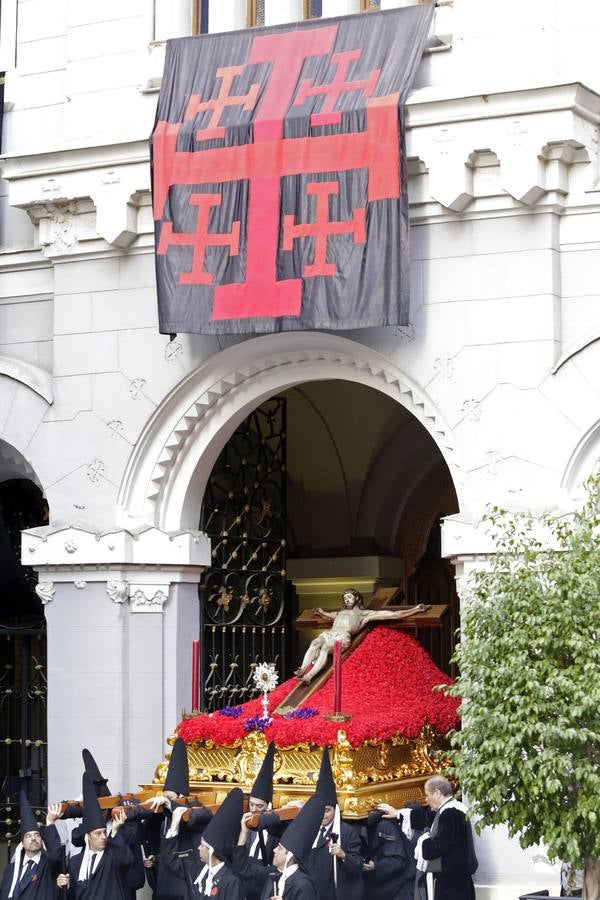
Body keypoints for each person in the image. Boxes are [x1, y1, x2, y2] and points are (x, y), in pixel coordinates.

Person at [294, 589, 427, 683]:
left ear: (357, 598)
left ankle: (309, 676)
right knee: (315, 643)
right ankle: (303, 669)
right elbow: (326, 615)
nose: (347, 600)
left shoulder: (365, 614)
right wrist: (320, 611)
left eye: (350, 597)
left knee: (325, 649)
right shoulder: (340, 612)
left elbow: (393, 615)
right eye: (345, 598)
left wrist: (414, 610)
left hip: (342, 637)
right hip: (329, 633)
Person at [379, 775, 478, 900]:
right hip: (458, 880)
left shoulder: (450, 813)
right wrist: (397, 813)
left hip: (452, 882)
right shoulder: (453, 809)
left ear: (437, 793)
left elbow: (439, 846)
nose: (426, 799)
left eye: (427, 795)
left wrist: (423, 841)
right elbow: (426, 818)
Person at [234, 794, 323, 900]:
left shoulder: (303, 885)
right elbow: (242, 869)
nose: (274, 850)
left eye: (280, 848)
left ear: (290, 856)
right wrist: (244, 832)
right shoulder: (273, 874)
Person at [163, 788, 244, 899]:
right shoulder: (197, 870)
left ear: (211, 850)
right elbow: (170, 859)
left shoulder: (231, 881)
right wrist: (173, 826)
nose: (199, 847)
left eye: (202, 845)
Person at [305, 748, 364, 900]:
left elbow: (358, 865)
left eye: (327, 811)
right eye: (320, 810)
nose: (323, 815)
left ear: (335, 810)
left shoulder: (348, 832)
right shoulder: (309, 830)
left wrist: (343, 855)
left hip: (337, 892)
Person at [232, 742, 279, 900]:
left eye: (259, 806)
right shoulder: (243, 822)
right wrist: (243, 833)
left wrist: (251, 869)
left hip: (265, 887)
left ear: (268, 806)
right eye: (251, 804)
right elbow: (237, 860)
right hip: (243, 886)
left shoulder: (275, 830)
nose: (253, 809)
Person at [0, 792, 62, 900]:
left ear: (42, 840)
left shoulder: (48, 865)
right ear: (22, 844)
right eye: (28, 836)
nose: (33, 838)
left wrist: (50, 822)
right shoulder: (10, 870)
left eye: (37, 835)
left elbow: (56, 855)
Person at [362, 809, 417, 900]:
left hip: (399, 885)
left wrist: (375, 866)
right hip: (381, 886)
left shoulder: (384, 826)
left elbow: (398, 859)